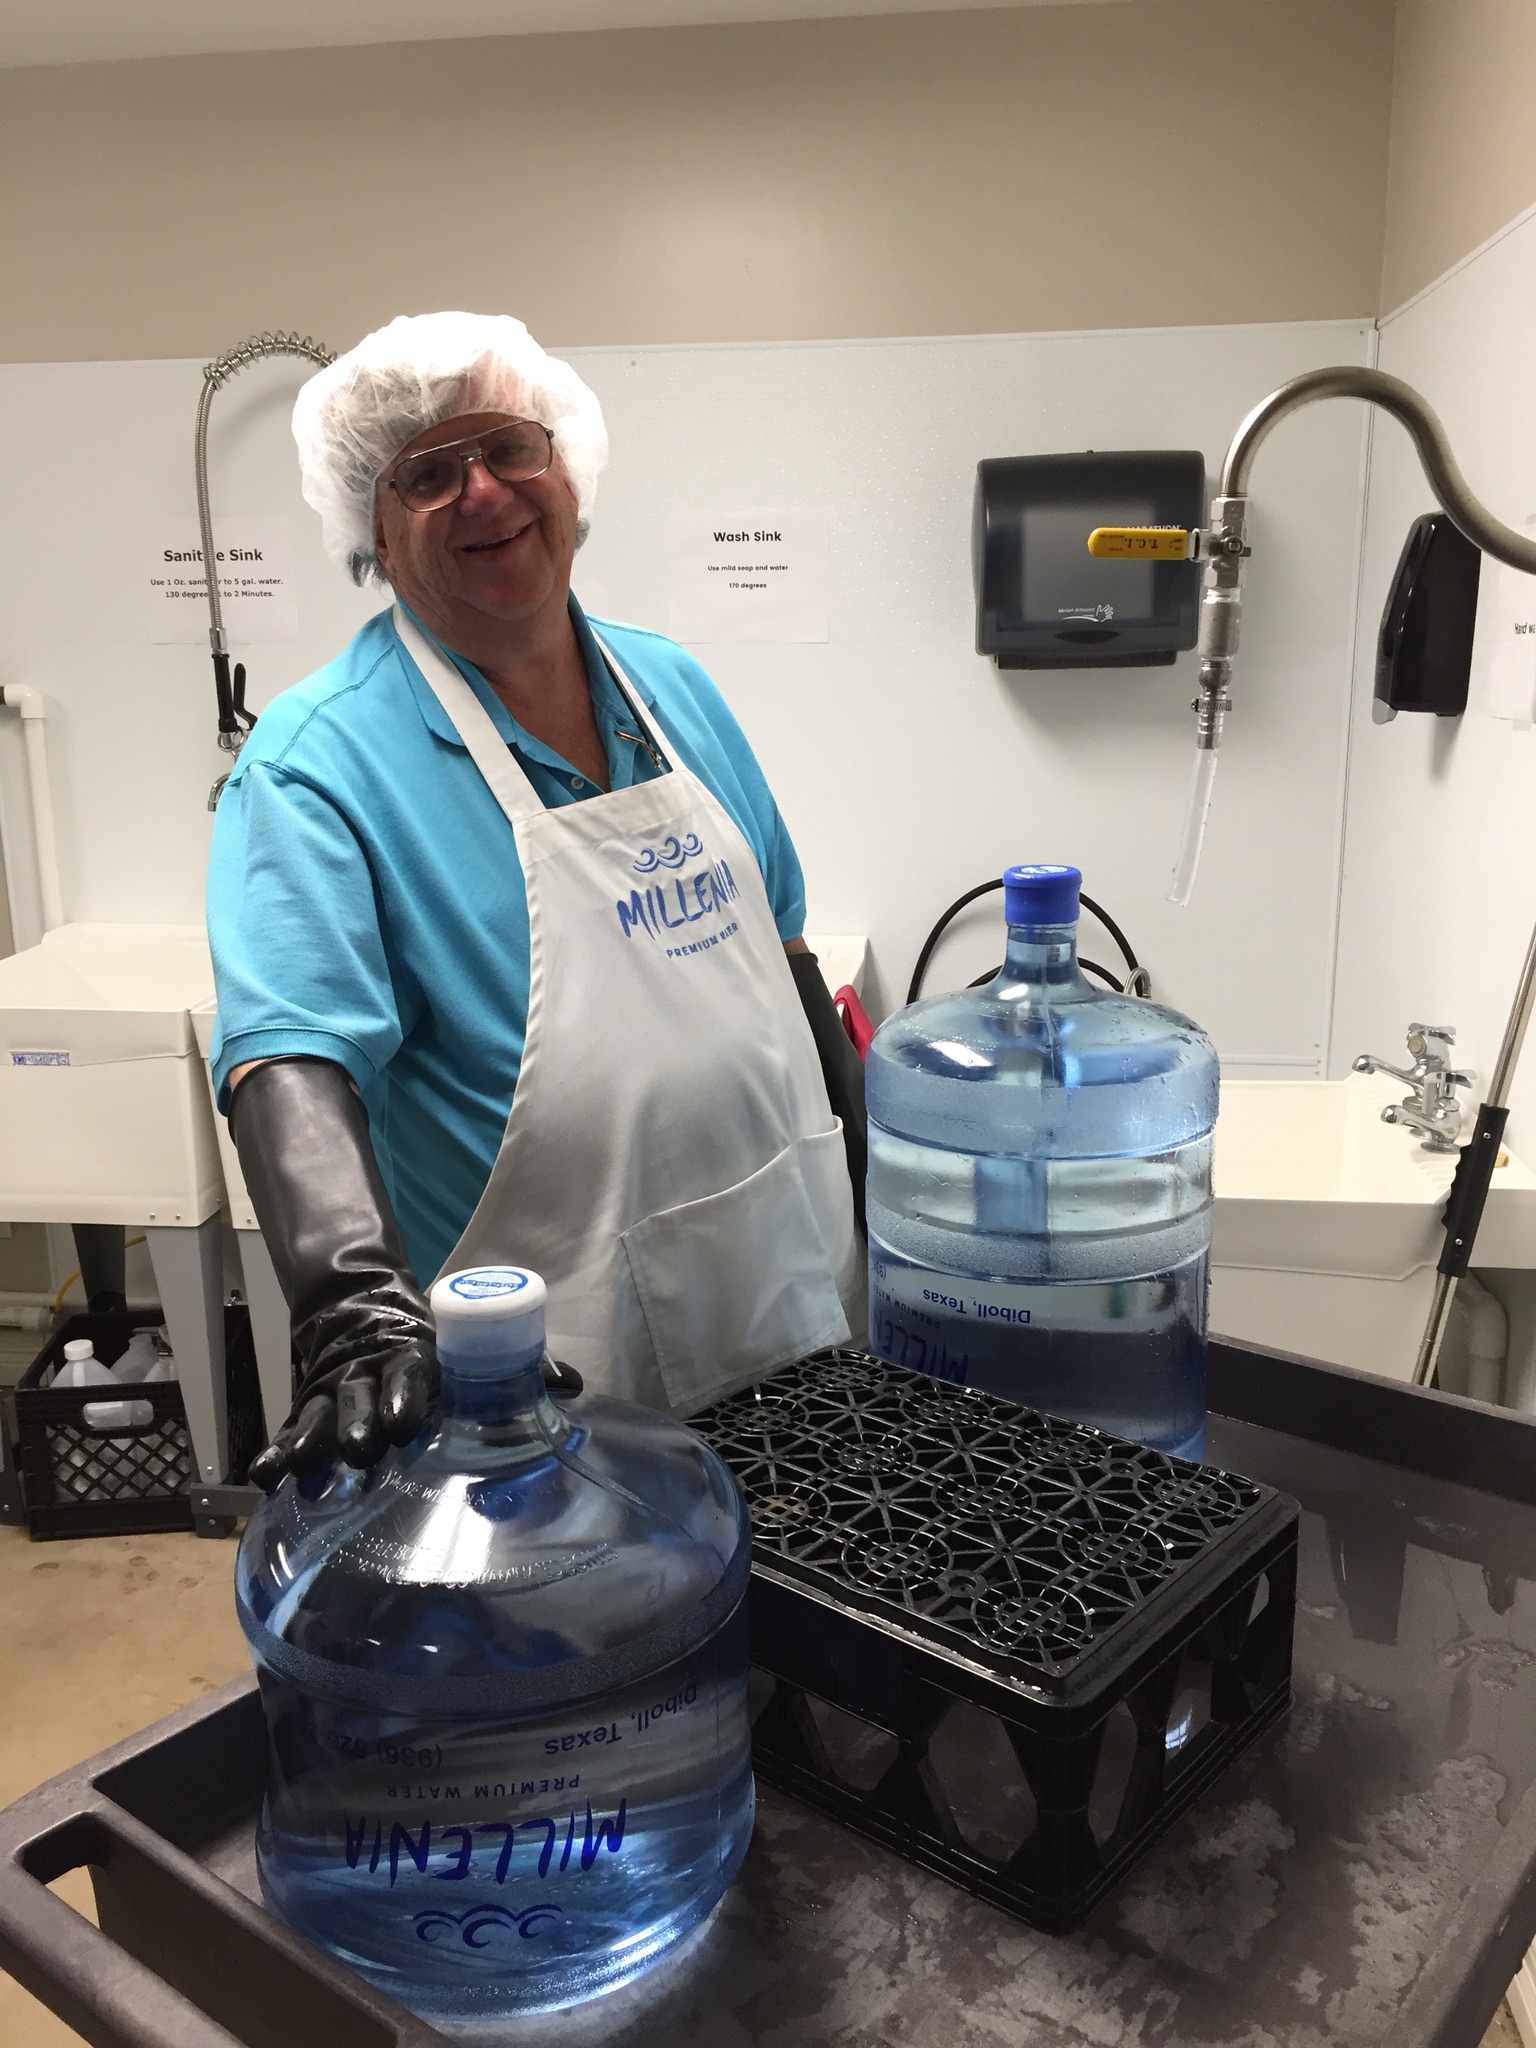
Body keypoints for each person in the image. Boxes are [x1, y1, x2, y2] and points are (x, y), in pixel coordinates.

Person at [207, 312, 866, 1489]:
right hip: (546, 1392)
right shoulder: (316, 765)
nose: (482, 490)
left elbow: (789, 957)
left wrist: (891, 1188)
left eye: (510, 447)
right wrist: (355, 1303)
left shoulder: (672, 686)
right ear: (372, 521)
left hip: (790, 1318)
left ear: (566, 467)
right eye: (426, 472)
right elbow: (290, 1058)